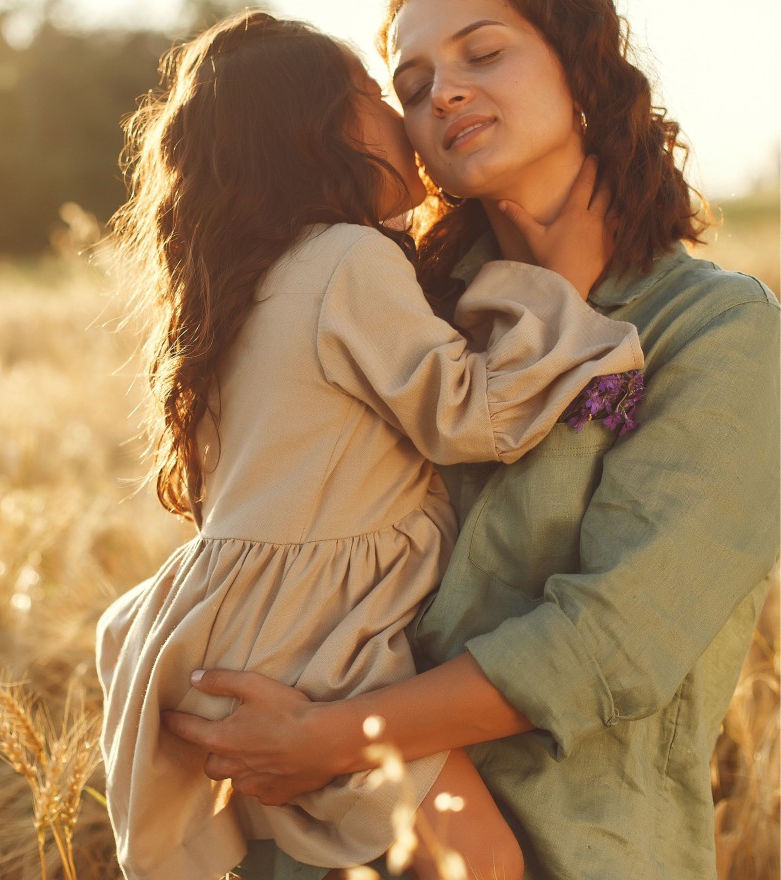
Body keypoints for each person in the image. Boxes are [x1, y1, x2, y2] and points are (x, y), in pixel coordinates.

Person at [162, 2, 781, 879]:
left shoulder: (717, 331)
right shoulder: (389, 306)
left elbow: (617, 640)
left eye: (483, 54)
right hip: (327, 842)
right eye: (412, 87)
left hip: (574, 844)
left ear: (584, 71)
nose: (444, 92)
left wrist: (333, 737)